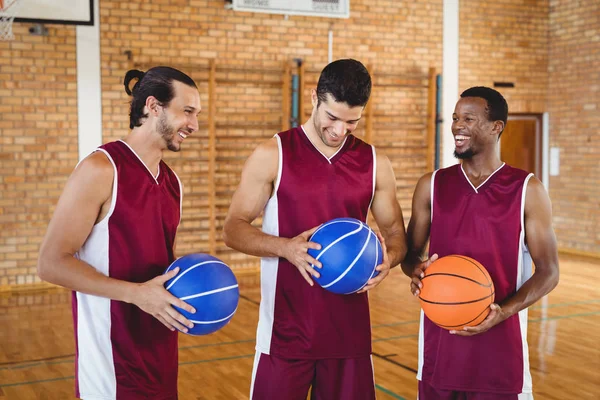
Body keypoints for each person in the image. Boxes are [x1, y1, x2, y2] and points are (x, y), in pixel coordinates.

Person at [222, 58, 407, 400]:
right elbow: (233, 229)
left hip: (350, 336)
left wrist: (388, 260)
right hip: (285, 334)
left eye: (352, 121)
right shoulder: (272, 153)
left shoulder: (375, 163)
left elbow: (396, 234)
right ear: (313, 98)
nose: (339, 130)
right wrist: (286, 248)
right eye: (332, 117)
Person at [37, 66, 202, 400]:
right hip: (109, 362)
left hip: (159, 350)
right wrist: (136, 294)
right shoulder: (101, 169)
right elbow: (51, 263)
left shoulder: (172, 182)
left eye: (196, 114)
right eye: (187, 112)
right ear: (153, 107)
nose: (194, 125)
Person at [402, 86, 560, 399]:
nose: (457, 126)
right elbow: (410, 254)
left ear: (495, 127)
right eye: (455, 118)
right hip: (439, 350)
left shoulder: (528, 189)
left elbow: (549, 271)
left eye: (469, 119)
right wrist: (415, 270)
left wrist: (502, 311)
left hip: (500, 354)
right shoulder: (430, 185)